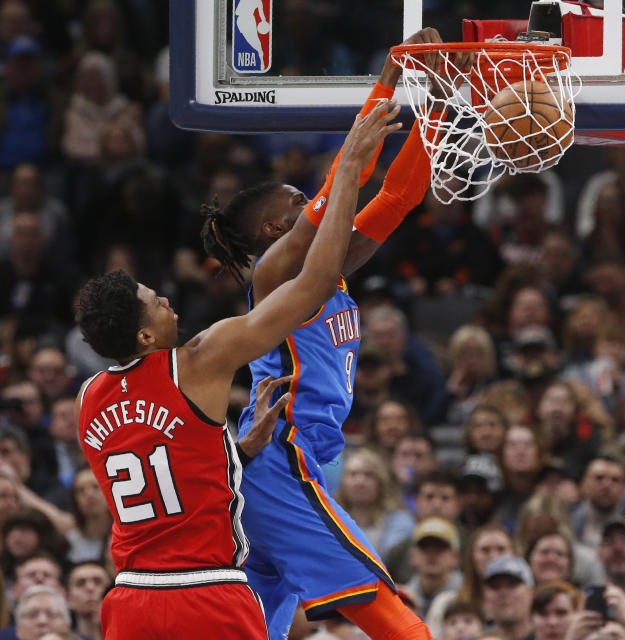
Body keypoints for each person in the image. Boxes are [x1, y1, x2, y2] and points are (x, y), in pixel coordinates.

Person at [73, 97, 399, 640]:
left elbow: (169, 471)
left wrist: (240, 450)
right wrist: (345, 173)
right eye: (156, 302)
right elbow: (314, 285)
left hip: (130, 597)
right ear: (146, 336)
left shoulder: (88, 400)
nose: (168, 302)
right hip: (206, 589)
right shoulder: (200, 358)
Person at [199, 28, 468, 639]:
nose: (315, 203)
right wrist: (392, 75)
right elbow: (335, 189)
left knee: (254, 628)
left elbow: (398, 195)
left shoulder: (330, 266)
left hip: (300, 460)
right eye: (297, 202)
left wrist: (445, 102)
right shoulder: (273, 273)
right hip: (278, 457)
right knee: (392, 617)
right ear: (274, 226)